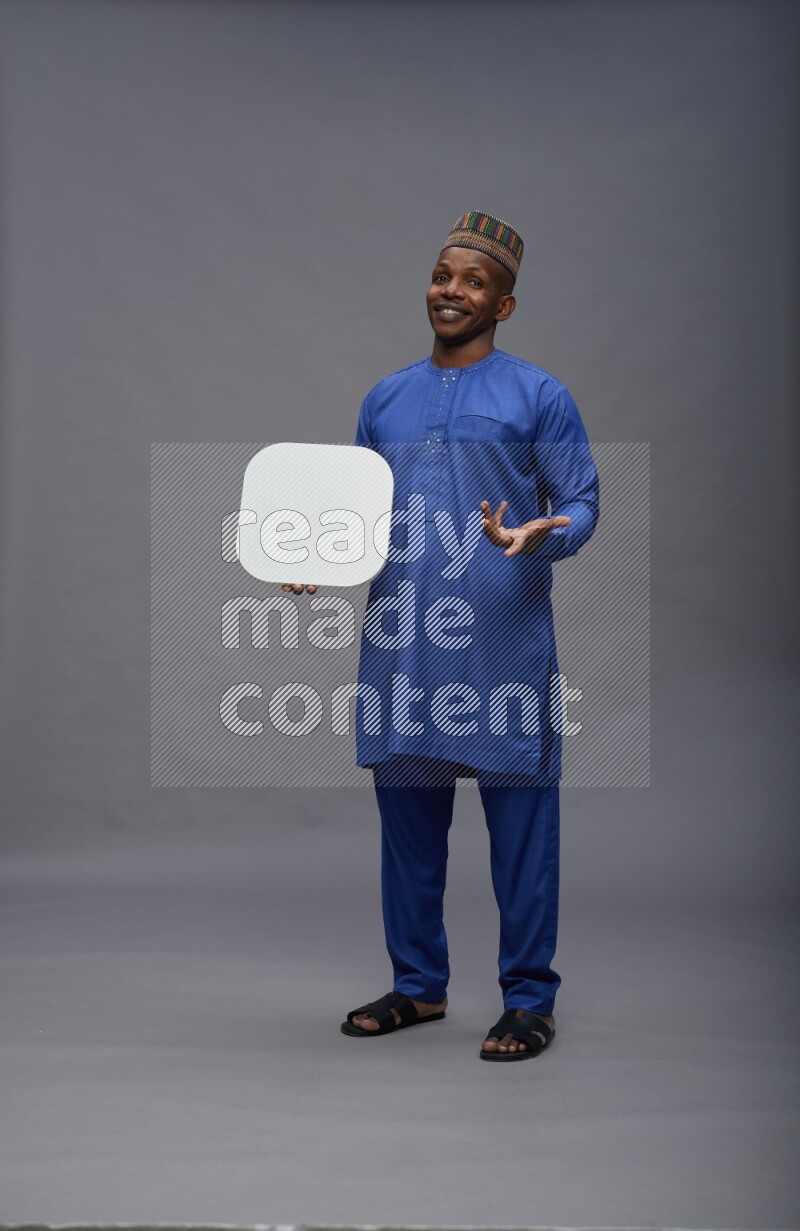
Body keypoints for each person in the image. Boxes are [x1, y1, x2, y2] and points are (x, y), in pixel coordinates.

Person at [285, 211, 599, 1061]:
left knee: (522, 830)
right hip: (404, 644)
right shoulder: (385, 398)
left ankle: (529, 998)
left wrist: (544, 532)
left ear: (503, 304)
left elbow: (583, 502)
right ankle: (418, 986)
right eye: (441, 274)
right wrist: (315, 556)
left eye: (472, 281)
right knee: (409, 829)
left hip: (501, 644)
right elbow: (356, 520)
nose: (450, 290)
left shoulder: (538, 395)